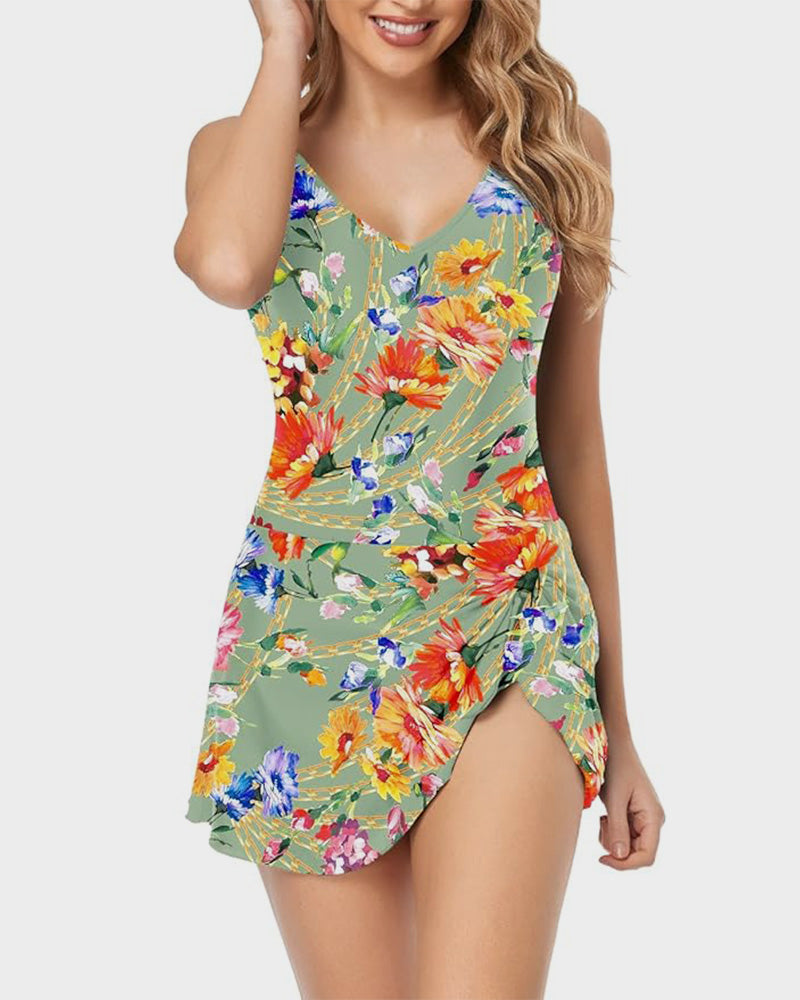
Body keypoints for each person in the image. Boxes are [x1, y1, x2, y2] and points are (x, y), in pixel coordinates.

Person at [175, 2, 666, 996]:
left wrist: (620, 727)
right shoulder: (238, 150)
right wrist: (281, 45)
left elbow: (572, 439)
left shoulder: (555, 148)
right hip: (310, 645)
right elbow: (226, 266)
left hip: (510, 625)